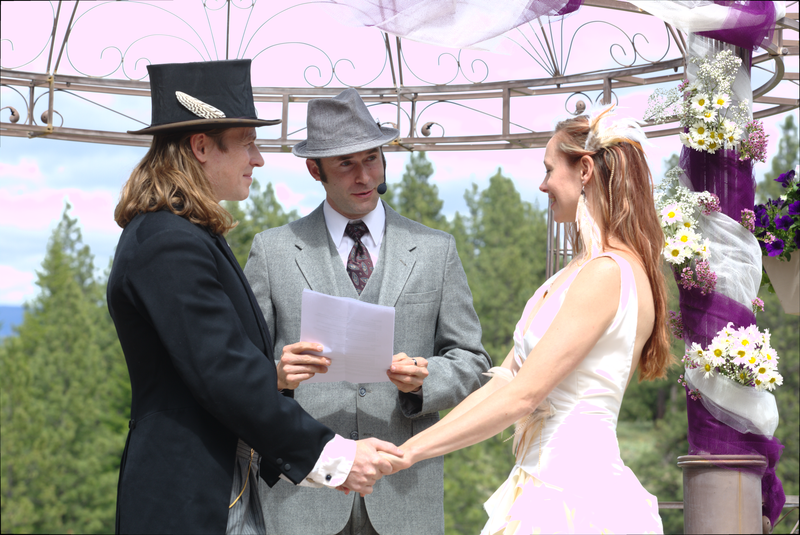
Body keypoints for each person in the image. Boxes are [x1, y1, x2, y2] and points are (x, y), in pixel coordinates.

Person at [108, 60, 401, 535]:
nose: (258, 159)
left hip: (222, 488)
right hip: (191, 498)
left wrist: (276, 375)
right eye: (247, 142)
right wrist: (337, 457)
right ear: (201, 146)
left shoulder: (185, 234)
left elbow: (214, 367)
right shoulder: (168, 241)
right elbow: (221, 372)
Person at [383, 107, 672, 534]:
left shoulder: (607, 273)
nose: (543, 184)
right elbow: (504, 382)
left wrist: (410, 454)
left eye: (549, 169)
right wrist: (407, 448)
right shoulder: (573, 273)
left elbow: (523, 396)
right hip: (538, 482)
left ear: (585, 170)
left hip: (575, 493)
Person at [243, 88, 492, 535]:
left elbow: (474, 362)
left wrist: (425, 380)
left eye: (372, 158)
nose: (364, 176)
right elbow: (239, 371)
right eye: (345, 164)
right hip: (301, 496)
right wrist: (277, 376)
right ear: (314, 169)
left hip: (404, 496)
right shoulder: (272, 251)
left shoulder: (436, 250)